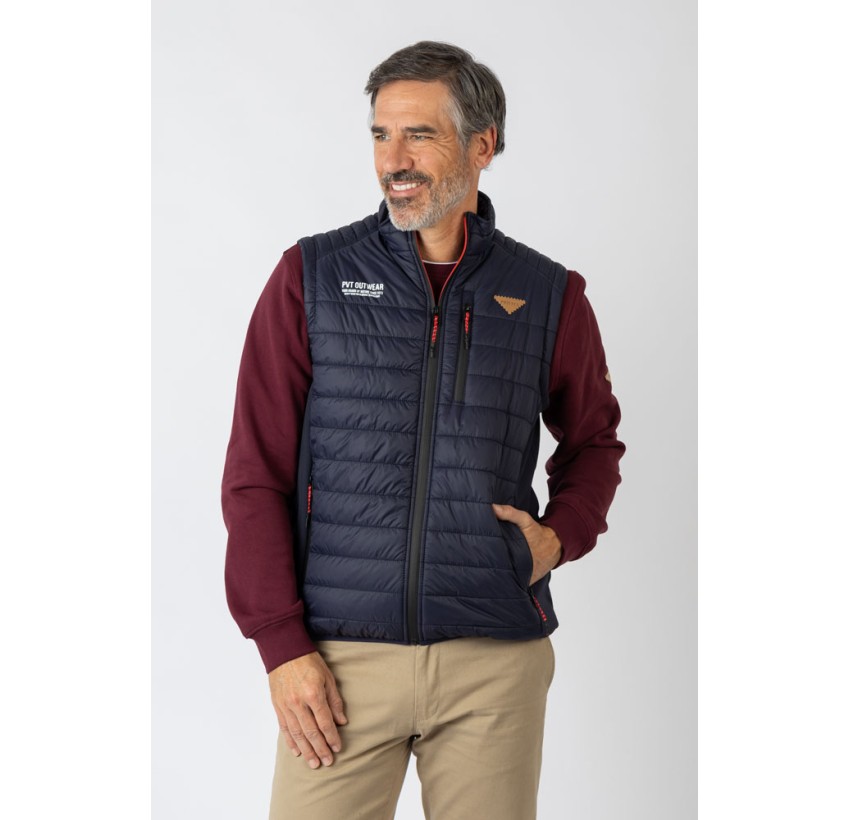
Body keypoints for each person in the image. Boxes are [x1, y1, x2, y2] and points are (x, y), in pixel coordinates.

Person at [222, 40, 625, 820]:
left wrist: (558, 536)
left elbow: (594, 443)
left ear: (482, 145)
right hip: (337, 662)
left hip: (492, 663)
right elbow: (254, 473)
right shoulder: (311, 278)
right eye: (381, 135)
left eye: (419, 135)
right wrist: (281, 645)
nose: (393, 161)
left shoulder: (548, 294)